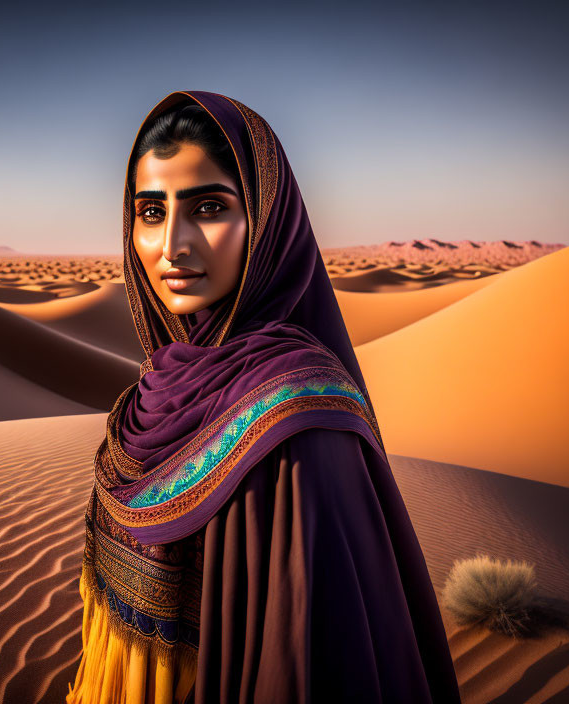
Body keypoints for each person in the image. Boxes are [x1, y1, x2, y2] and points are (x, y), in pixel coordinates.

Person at [66, 90, 462, 704]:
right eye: (150, 212)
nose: (173, 245)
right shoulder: (156, 389)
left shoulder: (299, 421)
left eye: (209, 207)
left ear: (267, 219)